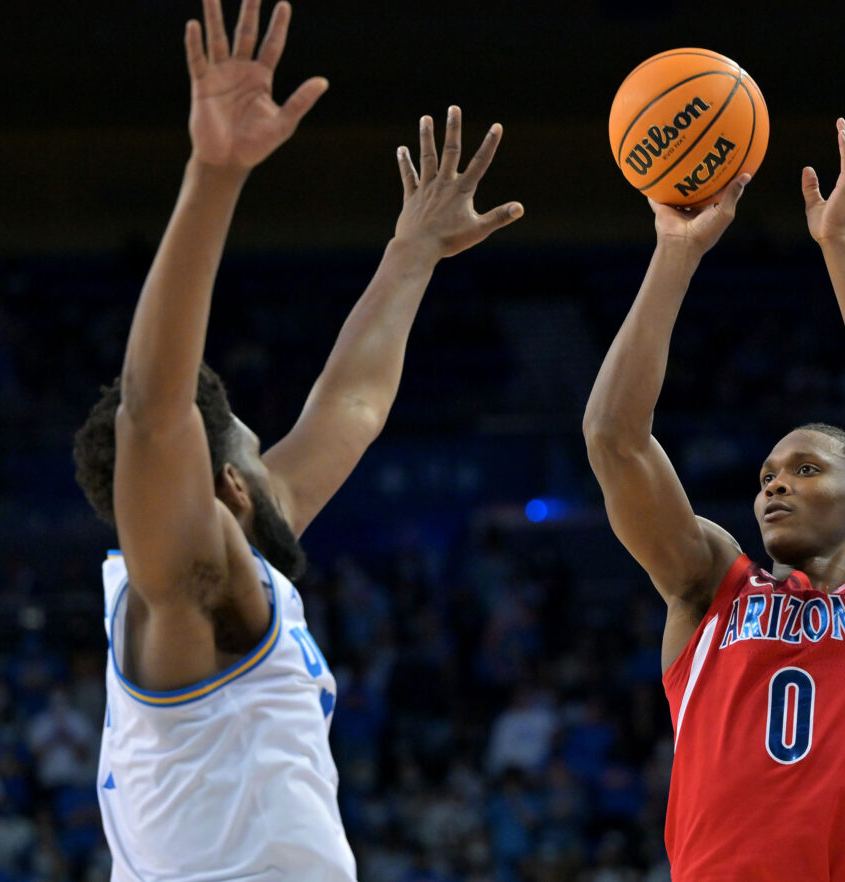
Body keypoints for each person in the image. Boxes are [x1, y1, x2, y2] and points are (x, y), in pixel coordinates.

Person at [69, 0, 523, 876]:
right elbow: (153, 413)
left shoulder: (231, 562)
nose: (275, 458)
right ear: (227, 485)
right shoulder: (189, 585)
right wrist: (215, 173)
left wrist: (412, 253)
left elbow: (348, 407)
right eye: (251, 444)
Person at [582, 115, 845, 881]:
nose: (776, 484)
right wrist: (674, 256)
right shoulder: (711, 585)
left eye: (806, 469)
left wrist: (839, 248)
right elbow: (613, 438)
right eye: (766, 478)